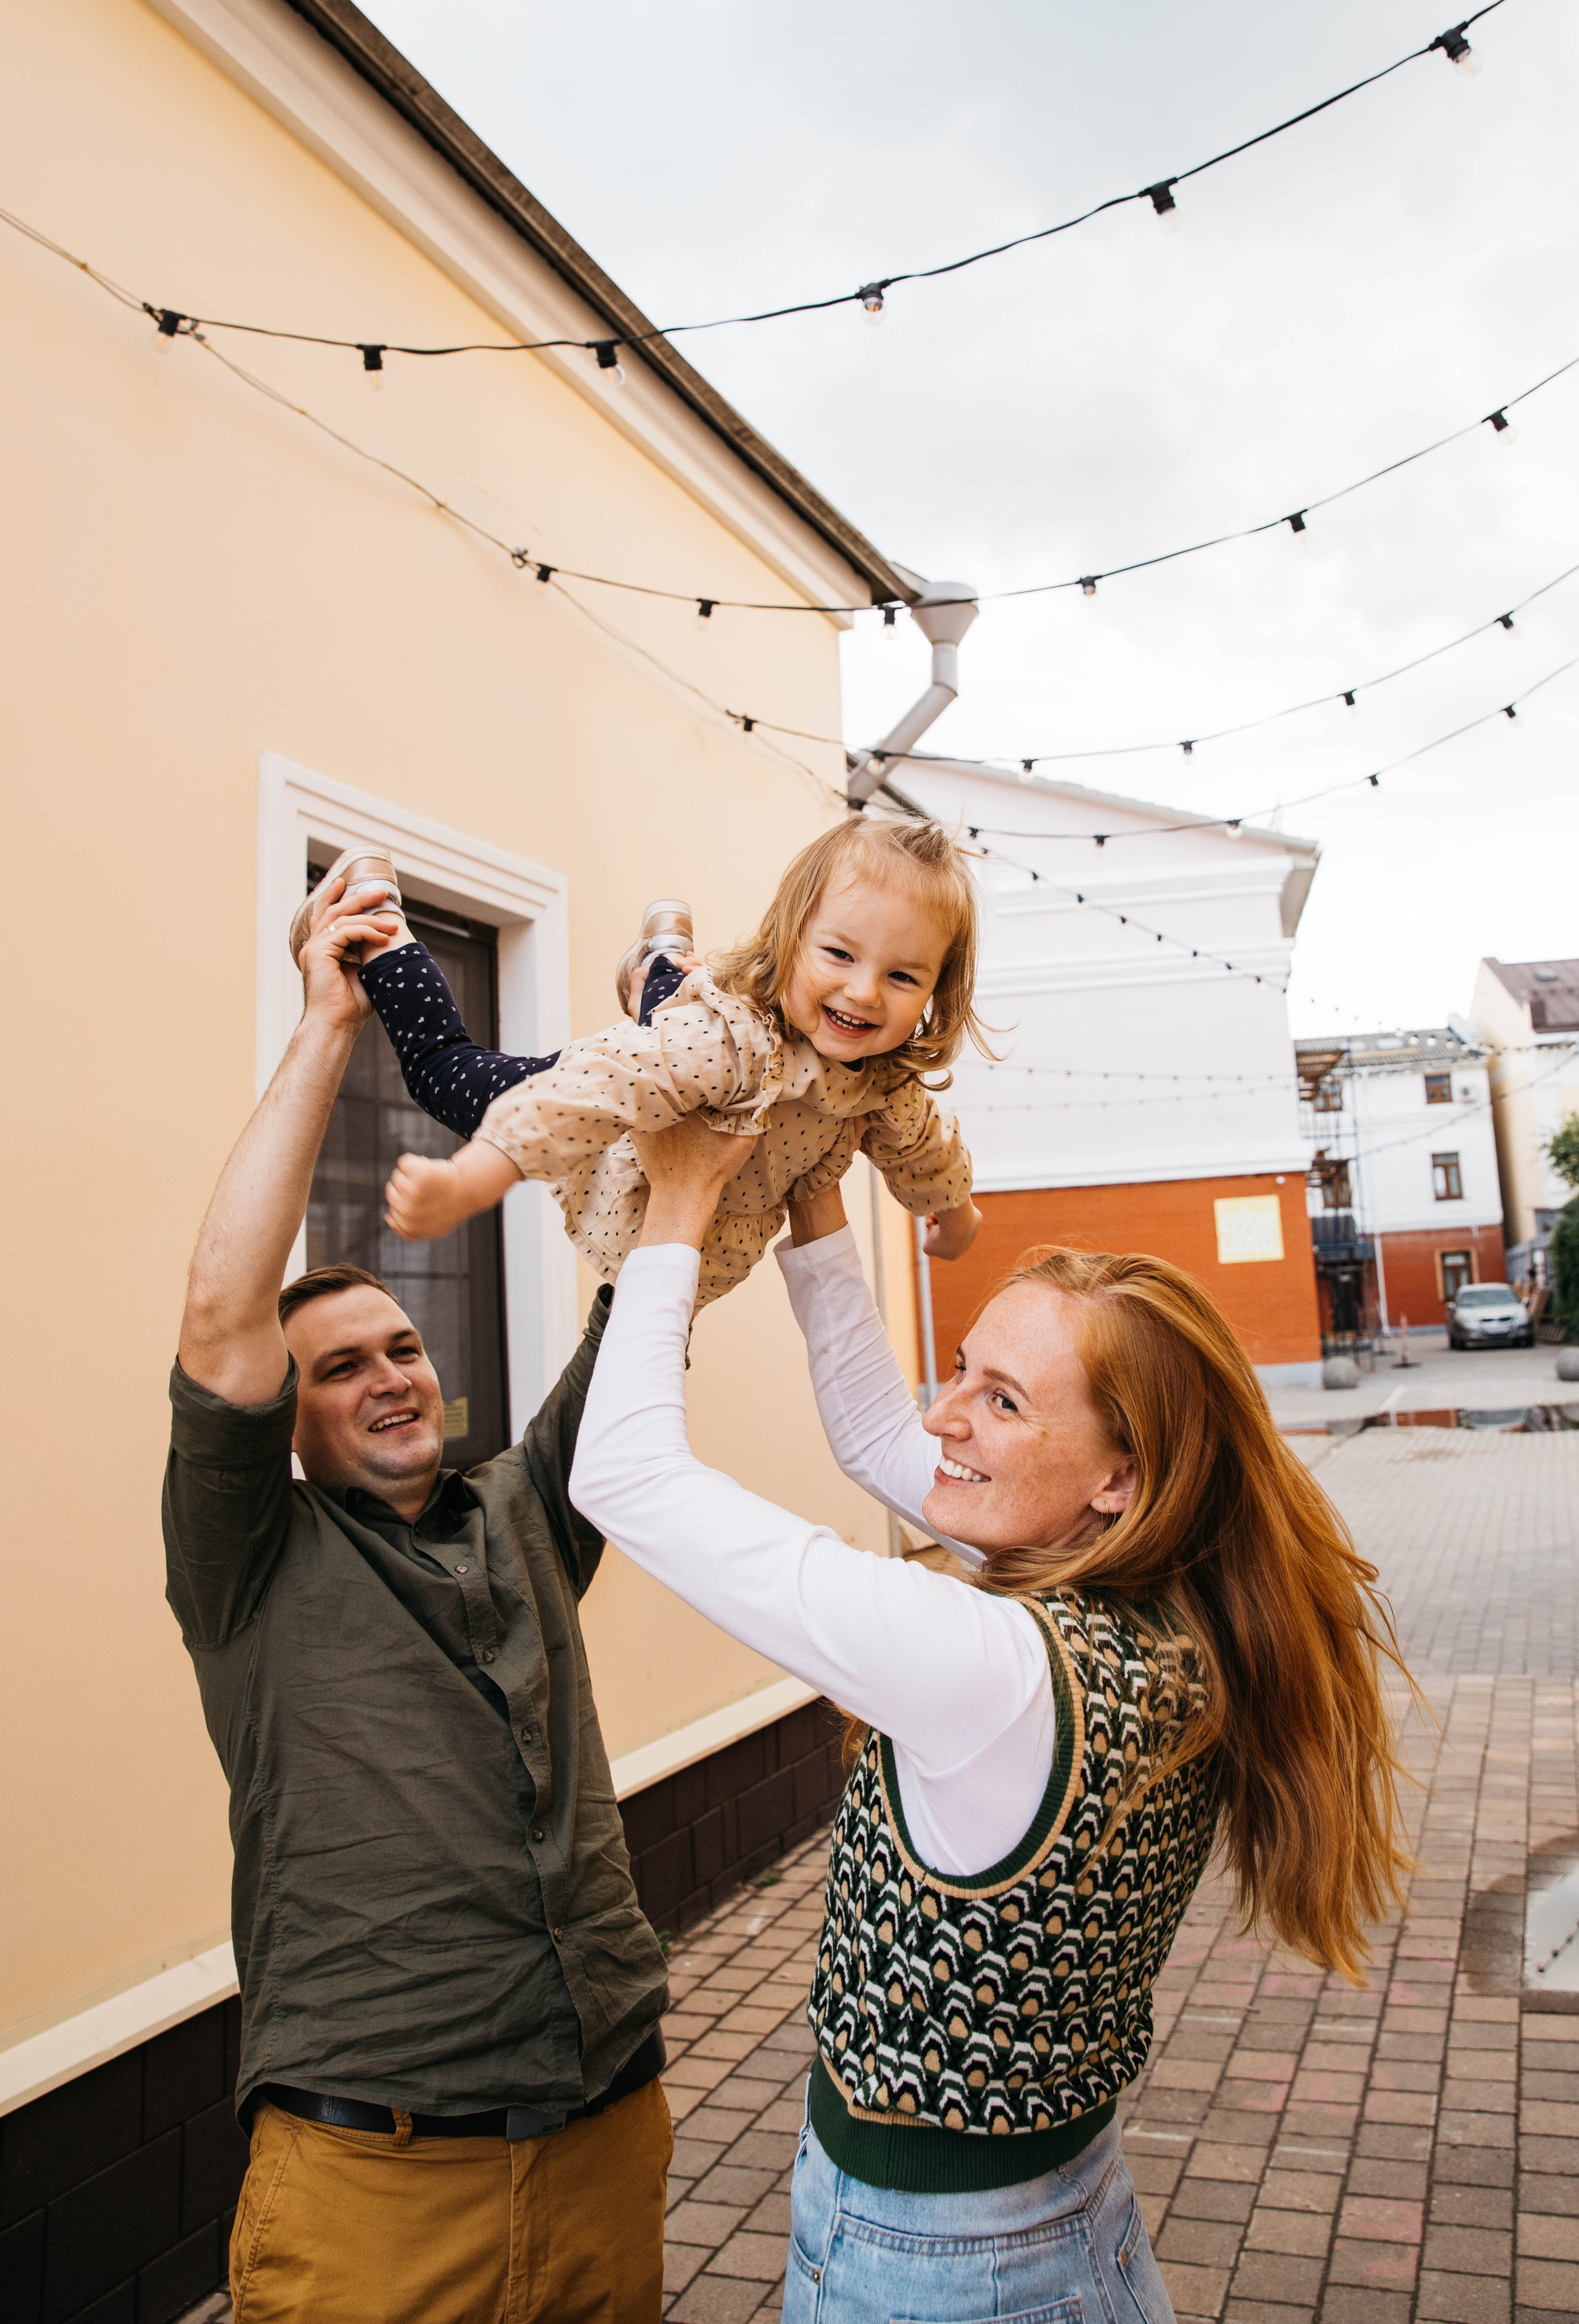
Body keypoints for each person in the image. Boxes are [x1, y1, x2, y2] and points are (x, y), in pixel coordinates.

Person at [566, 1115, 1413, 2323]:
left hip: (938, 2272)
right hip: (1048, 2224)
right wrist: (814, 1205)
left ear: (1118, 1475)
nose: (946, 1415)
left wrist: (676, 1203)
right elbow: (876, 1435)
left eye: (1001, 1400)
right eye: (958, 1368)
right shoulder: (1160, 1598)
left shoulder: (991, 1663)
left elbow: (621, 1477)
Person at [165, 876, 671, 2324]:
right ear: (291, 1422)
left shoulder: (525, 1512)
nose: (390, 1372)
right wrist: (333, 1022)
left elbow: (646, 1305)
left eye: (400, 1345)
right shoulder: (251, 1562)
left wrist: (676, 1080)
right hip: (371, 2191)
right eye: (339, 1367)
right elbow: (218, 1318)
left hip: (604, 2140)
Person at [302, 816, 987, 1308]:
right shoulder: (732, 1045)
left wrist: (956, 1218)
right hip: (605, 1133)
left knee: (668, 1024)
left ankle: (661, 960)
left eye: (903, 978)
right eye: (839, 955)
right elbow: (586, 1093)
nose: (864, 992)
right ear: (788, 938)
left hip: (668, 1102)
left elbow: (926, 1152)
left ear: (935, 990)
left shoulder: (883, 1083)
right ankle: (382, 928)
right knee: (443, 1070)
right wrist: (470, 1184)